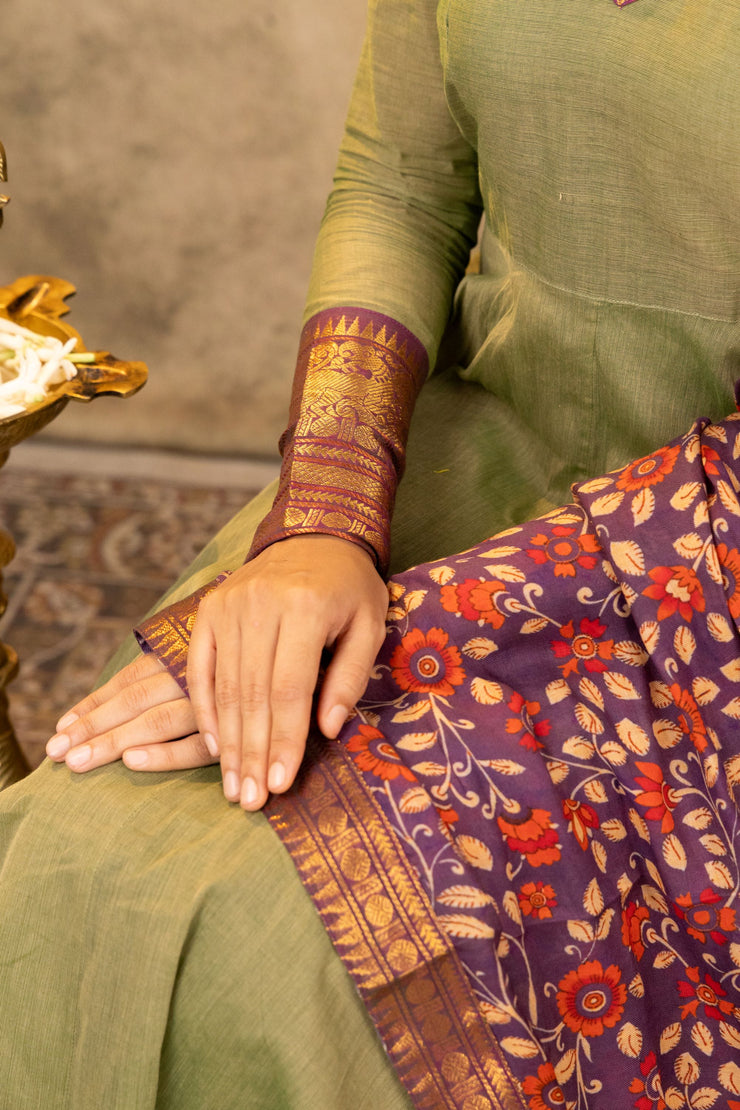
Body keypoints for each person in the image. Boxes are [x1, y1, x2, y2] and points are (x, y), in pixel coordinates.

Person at [0, 1, 737, 1107]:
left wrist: (451, 621)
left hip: (699, 569)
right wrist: (321, 524)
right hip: (487, 452)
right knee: (88, 848)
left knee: (274, 943)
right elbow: (397, 183)